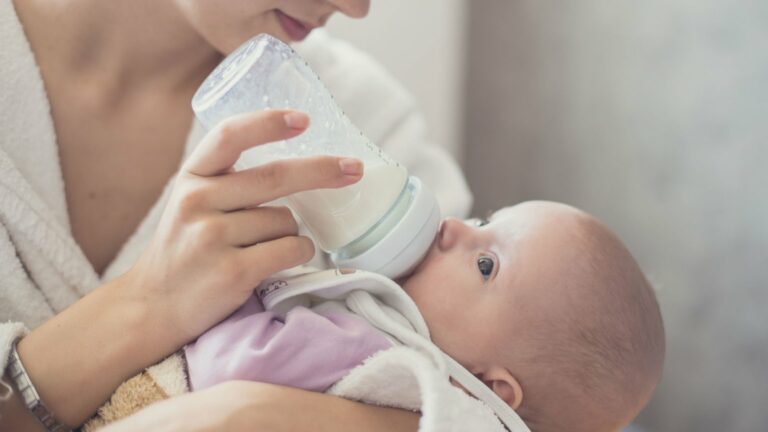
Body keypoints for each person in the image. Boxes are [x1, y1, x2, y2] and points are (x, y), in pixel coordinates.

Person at [0, 0, 471, 430]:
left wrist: (262, 414)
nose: (355, 8)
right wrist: (143, 305)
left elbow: (490, 397)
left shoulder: (359, 113)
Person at [84, 201, 665, 432]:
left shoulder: (378, 355)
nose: (455, 226)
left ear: (493, 388)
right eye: (484, 219)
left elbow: (227, 367)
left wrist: (249, 286)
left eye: (486, 264)